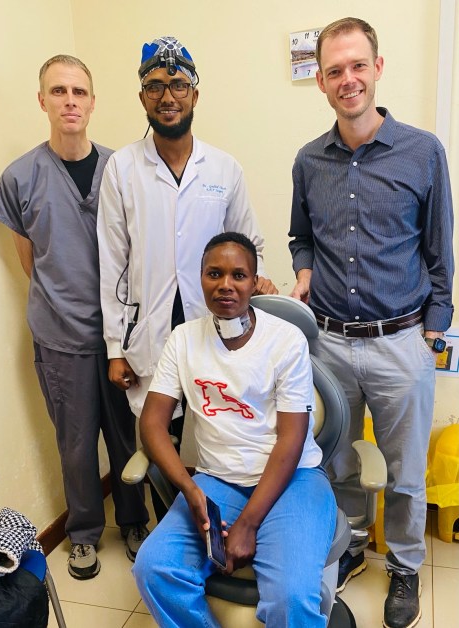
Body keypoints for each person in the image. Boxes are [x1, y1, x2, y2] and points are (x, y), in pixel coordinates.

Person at [288, 17, 454, 628]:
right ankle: (352, 544)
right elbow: (300, 237)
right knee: (337, 463)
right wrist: (303, 271)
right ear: (321, 82)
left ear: (377, 68)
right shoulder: (309, 160)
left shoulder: (423, 152)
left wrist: (433, 331)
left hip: (400, 342)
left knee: (405, 472)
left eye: (358, 65)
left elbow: (440, 250)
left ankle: (405, 565)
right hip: (329, 344)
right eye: (335, 71)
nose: (348, 79)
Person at [97, 36, 277, 520]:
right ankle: (173, 532)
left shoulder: (223, 168)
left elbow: (250, 245)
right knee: (162, 440)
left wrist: (259, 280)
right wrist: (115, 348)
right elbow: (112, 262)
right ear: (142, 98)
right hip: (149, 331)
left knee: (220, 433)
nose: (167, 96)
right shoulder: (122, 169)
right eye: (155, 86)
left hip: (214, 327)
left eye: (178, 85)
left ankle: (224, 528)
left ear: (195, 94)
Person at [0, 55, 149, 580]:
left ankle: (134, 522)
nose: (70, 101)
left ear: (93, 102)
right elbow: (30, 259)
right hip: (59, 339)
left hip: (120, 337)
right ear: (42, 100)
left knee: (126, 437)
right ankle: (82, 533)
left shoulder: (121, 168)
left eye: (79, 91)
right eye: (58, 91)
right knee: (75, 446)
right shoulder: (20, 177)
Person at [132, 232, 337, 627]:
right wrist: (190, 490)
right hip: (217, 481)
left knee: (290, 596)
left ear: (254, 282)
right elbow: (153, 422)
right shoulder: (183, 340)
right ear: (201, 278)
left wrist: (248, 523)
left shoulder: (285, 340)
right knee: (154, 568)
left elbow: (292, 438)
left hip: (293, 480)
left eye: (238, 275)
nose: (225, 284)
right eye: (214, 273)